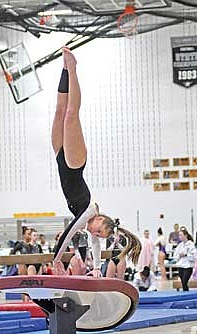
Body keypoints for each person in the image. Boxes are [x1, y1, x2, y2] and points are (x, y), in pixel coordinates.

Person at [51, 47, 141, 277]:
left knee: (60, 111)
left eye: (97, 233)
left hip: (60, 156)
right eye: (98, 230)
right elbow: (69, 232)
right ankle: (72, 68)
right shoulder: (88, 211)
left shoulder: (91, 221)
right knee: (71, 114)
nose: (94, 232)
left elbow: (97, 246)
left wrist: (97, 269)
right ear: (99, 219)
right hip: (73, 162)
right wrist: (56, 259)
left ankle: (64, 70)